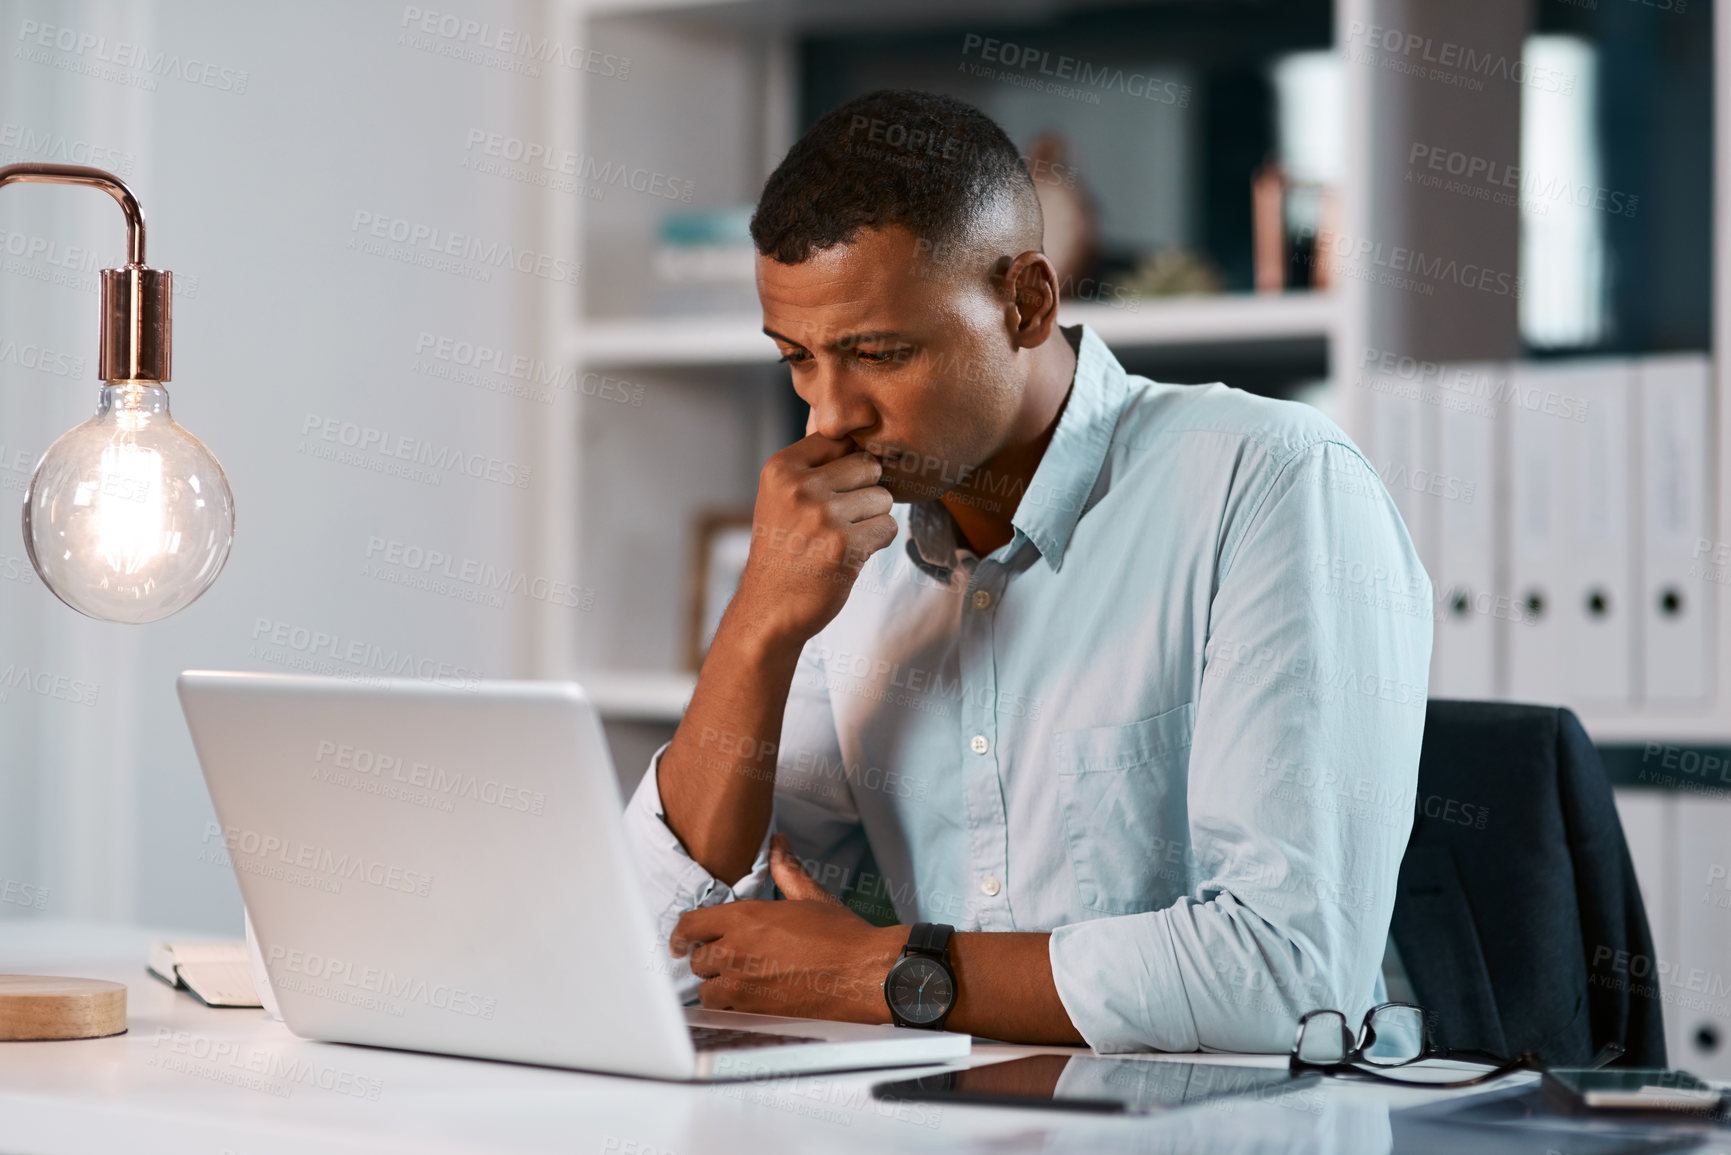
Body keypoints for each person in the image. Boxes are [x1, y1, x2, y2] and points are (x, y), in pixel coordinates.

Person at [623, 89, 1431, 1052]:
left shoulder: (1267, 483)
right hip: (952, 1118)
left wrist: (880, 970)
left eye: (878, 353)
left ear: (1026, 301)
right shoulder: (846, 553)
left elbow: (1288, 975)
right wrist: (760, 622)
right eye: (797, 358)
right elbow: (662, 950)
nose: (827, 416)